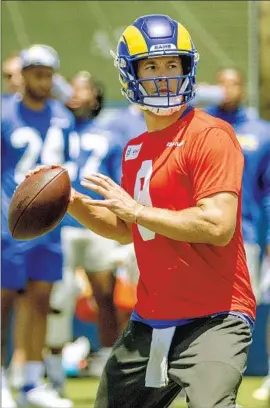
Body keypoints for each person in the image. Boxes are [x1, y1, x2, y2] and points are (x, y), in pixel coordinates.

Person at [28, 15, 256, 408]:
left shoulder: (211, 134)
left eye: (173, 64)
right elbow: (124, 228)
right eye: (151, 66)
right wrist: (72, 202)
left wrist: (136, 211)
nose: (164, 76)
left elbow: (217, 224)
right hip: (150, 319)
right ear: (130, 74)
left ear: (188, 68)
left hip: (214, 316)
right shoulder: (135, 149)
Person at [1, 44, 77, 408]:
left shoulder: (63, 117)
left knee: (41, 301)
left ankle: (32, 383)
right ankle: (2, 380)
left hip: (49, 225)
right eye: (36, 73)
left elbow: (66, 169)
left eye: (48, 74)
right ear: (24, 74)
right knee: (3, 304)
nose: (42, 81)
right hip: (7, 223)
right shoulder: (4, 113)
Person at [59, 70, 124, 377]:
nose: (75, 93)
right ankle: (52, 361)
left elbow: (115, 182)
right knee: (55, 295)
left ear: (96, 96)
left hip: (96, 222)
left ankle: (109, 357)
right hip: (59, 222)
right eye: (72, 87)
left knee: (105, 294)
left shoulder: (108, 134)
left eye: (83, 88)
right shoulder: (56, 128)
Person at [206, 68, 270, 303]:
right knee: (202, 305)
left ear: (243, 89)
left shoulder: (262, 132)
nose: (227, 89)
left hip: (246, 236)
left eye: (233, 84)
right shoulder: (199, 126)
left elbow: (268, 192)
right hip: (202, 232)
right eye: (221, 84)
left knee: (241, 306)